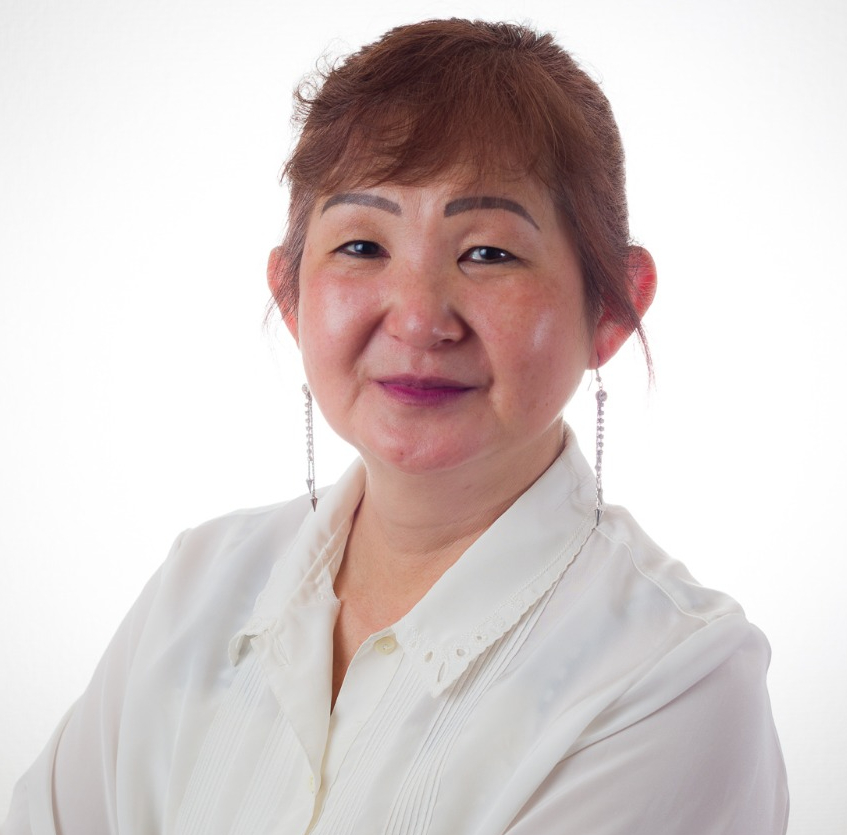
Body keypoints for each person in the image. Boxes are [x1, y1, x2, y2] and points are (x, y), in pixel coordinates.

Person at [1, 18, 788, 835]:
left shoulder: (674, 677)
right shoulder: (197, 587)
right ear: (290, 293)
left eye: (487, 253)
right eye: (361, 245)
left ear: (612, 309)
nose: (416, 318)